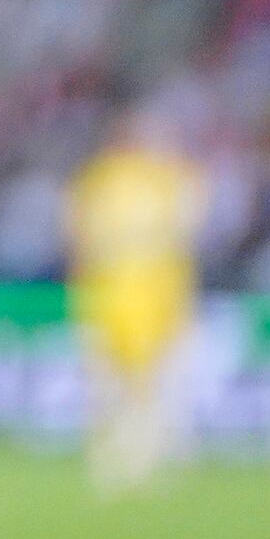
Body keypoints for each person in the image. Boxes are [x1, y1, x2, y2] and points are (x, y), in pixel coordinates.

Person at [65, 106, 208, 493]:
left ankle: (146, 454)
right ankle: (122, 453)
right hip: (119, 295)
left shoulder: (165, 179)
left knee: (152, 382)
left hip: (156, 296)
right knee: (115, 381)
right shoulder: (108, 179)